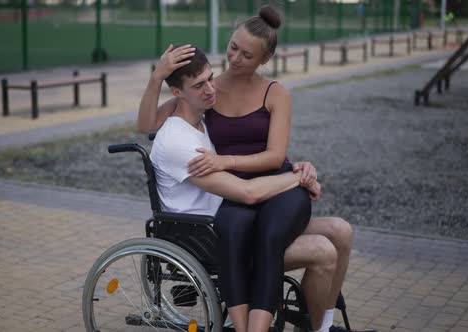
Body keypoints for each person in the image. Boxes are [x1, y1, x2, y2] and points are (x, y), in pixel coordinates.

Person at [139, 6, 354, 332]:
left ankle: (320, 321)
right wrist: (157, 75)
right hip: (234, 201)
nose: (235, 58)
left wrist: (295, 170)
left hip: (263, 191)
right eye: (233, 47)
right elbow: (147, 124)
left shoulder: (261, 91)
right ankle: (302, 325)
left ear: (263, 60)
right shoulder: (205, 93)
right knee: (323, 251)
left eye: (247, 54)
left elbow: (273, 156)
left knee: (341, 231)